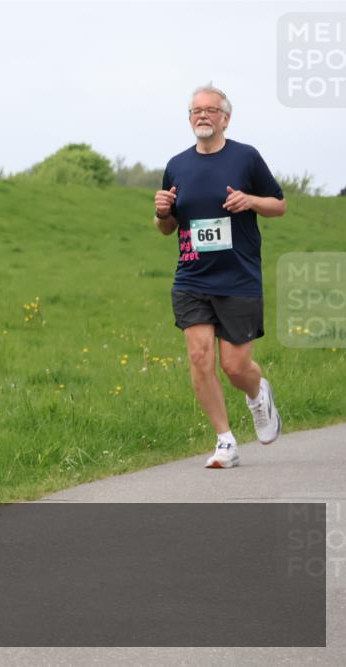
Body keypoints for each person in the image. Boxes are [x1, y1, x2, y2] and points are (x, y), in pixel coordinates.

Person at [154, 83, 286, 469]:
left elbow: (279, 205)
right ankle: (225, 440)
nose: (203, 116)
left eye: (211, 110)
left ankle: (258, 394)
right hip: (192, 277)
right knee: (199, 357)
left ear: (226, 117)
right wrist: (162, 211)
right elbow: (167, 227)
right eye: (196, 111)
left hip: (238, 279)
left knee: (235, 367)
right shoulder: (177, 165)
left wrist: (250, 201)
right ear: (189, 118)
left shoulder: (246, 158)